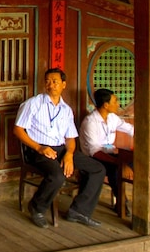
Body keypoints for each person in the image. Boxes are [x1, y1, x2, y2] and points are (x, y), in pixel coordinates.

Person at [13, 67, 106, 228]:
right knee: (57, 176)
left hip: (62, 149)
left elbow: (70, 138)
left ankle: (79, 211)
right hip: (38, 150)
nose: (51, 85)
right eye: (47, 81)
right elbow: (18, 129)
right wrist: (39, 147)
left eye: (55, 81)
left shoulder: (66, 110)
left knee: (97, 169)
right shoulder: (33, 104)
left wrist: (69, 154)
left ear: (63, 84)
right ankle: (36, 208)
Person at [80, 88, 135, 214]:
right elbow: (95, 151)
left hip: (110, 153)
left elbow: (131, 129)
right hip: (93, 158)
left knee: (137, 162)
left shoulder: (112, 118)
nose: (118, 104)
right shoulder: (90, 122)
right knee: (115, 170)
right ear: (106, 105)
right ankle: (122, 202)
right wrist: (120, 164)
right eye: (115, 101)